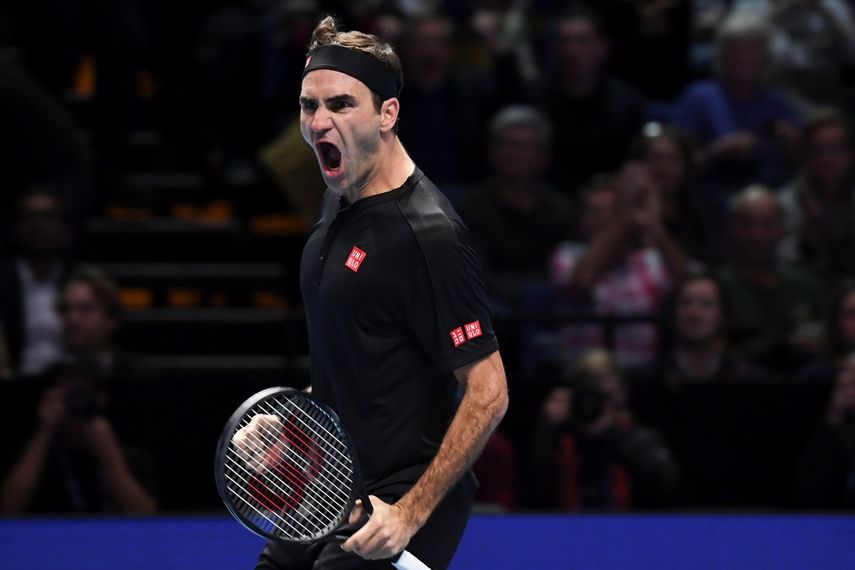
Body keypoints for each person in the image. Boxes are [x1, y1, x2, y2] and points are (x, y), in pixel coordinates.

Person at [233, 16, 508, 570]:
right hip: (332, 490)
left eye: (340, 105)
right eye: (310, 106)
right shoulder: (340, 197)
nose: (318, 123)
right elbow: (363, 361)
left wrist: (408, 514)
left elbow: (489, 391)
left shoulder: (429, 235)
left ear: (388, 114)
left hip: (397, 501)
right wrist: (292, 422)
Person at [523, 349, 680, 510]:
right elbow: (533, 494)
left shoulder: (639, 439)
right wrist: (548, 430)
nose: (598, 405)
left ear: (623, 395)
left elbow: (665, 486)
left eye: (608, 397)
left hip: (629, 529)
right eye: (591, 395)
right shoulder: (558, 439)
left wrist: (612, 434)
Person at [455, 105, 576, 308]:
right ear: (493, 152)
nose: (516, 155)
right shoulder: (468, 208)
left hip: (553, 311)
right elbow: (471, 273)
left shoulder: (562, 210)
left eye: (526, 147)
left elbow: (568, 270)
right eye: (508, 145)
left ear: (543, 157)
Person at [0, 359, 157, 514]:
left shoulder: (133, 458)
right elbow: (8, 510)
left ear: (101, 398)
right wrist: (44, 431)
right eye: (67, 396)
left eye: (82, 395)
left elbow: (147, 517)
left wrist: (111, 455)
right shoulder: (32, 456)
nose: (76, 403)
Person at [718, 186, 825, 371]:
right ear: (733, 228)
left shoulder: (807, 287)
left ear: (782, 230)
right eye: (748, 224)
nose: (757, 235)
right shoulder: (716, 287)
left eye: (767, 225)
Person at [0, 190, 73, 377]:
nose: (38, 224)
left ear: (64, 228)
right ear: (16, 227)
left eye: (48, 216)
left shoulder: (78, 280)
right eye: (29, 216)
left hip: (68, 386)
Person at [778, 109, 855, 279]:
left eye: (835, 149)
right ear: (806, 155)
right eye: (818, 150)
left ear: (850, 154)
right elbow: (783, 269)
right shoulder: (787, 202)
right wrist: (811, 233)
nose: (826, 159)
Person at [793, 352, 855, 508]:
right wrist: (834, 415)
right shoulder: (827, 423)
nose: (847, 382)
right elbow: (809, 487)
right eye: (845, 374)